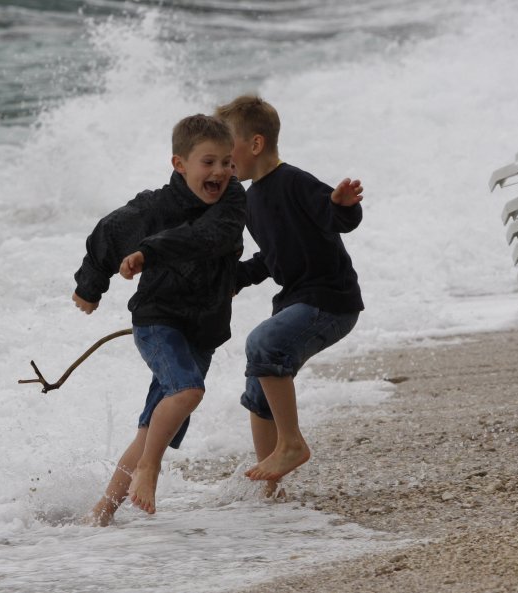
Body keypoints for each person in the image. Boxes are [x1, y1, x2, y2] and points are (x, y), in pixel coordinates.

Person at [72, 114, 246, 526]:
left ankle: (101, 514)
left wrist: (149, 253)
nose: (220, 172)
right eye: (208, 162)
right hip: (158, 320)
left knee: (151, 430)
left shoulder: (234, 201)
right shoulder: (155, 206)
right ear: (179, 164)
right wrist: (90, 285)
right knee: (187, 391)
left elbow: (209, 238)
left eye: (227, 162)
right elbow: (109, 232)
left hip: (202, 332)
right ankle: (150, 468)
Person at [213, 94, 364, 498]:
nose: (224, 163)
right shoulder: (251, 199)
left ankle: (292, 444)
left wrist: (344, 205)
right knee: (258, 388)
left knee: (263, 343)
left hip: (331, 300)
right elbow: (271, 257)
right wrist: (234, 279)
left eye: (229, 152)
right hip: (300, 300)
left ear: (256, 144)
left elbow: (334, 216)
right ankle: (271, 489)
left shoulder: (294, 180)